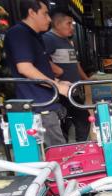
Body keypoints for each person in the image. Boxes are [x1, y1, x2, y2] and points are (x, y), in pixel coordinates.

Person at [4, 0, 70, 147]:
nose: (49, 19)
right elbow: (25, 68)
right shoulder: (19, 33)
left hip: (46, 103)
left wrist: (58, 82)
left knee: (57, 149)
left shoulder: (35, 36)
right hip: (39, 107)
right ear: (31, 12)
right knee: (57, 152)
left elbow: (39, 68)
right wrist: (57, 87)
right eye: (45, 13)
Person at [43, 9, 90, 143]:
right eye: (69, 23)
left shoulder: (67, 42)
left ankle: (81, 146)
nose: (72, 27)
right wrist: (56, 70)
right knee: (64, 123)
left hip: (72, 90)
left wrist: (86, 80)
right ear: (57, 24)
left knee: (83, 119)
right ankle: (65, 150)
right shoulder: (48, 39)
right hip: (58, 91)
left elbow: (75, 63)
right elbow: (40, 60)